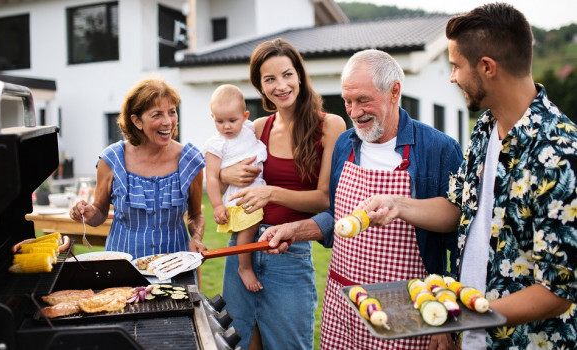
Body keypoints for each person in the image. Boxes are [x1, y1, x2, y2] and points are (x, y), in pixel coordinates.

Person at [335, 3, 577, 350]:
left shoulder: (560, 153)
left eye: (455, 66)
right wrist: (396, 204)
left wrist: (463, 315)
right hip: (472, 334)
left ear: (487, 68)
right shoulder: (485, 129)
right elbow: (457, 210)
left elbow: (558, 291)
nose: (452, 77)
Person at [258, 48, 464, 349]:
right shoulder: (345, 143)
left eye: (363, 100)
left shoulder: (438, 149)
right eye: (347, 101)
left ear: (394, 91)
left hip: (409, 309)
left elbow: (458, 235)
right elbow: (337, 215)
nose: (354, 112)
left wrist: (446, 318)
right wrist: (297, 230)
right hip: (346, 303)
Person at [218, 38, 346, 349]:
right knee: (238, 342)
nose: (281, 85)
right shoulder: (257, 128)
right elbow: (226, 180)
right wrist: (224, 174)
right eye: (270, 79)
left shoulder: (330, 126)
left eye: (287, 74)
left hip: (289, 253)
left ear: (300, 75)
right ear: (260, 86)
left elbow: (325, 200)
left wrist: (273, 193)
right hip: (242, 247)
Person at [69, 78, 206, 260]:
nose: (168, 122)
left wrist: (196, 237)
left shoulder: (190, 160)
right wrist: (87, 213)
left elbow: (195, 215)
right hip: (123, 267)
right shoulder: (112, 159)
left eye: (172, 112)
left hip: (175, 266)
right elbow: (100, 212)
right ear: (137, 121)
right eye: (157, 114)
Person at [204, 84, 268, 292]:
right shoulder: (216, 145)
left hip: (258, 188)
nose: (226, 127)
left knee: (254, 227)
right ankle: (244, 267)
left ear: (245, 115)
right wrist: (216, 206)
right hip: (239, 196)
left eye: (233, 120)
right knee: (247, 227)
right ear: (212, 117)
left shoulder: (249, 128)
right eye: (219, 121)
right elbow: (212, 178)